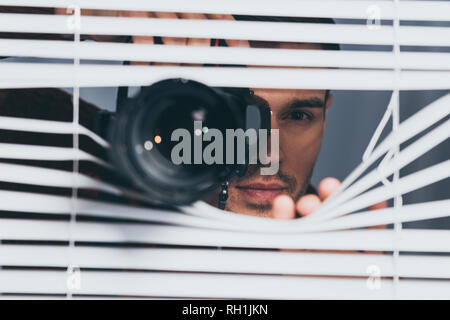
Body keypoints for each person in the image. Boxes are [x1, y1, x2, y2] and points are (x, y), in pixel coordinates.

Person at [0, 8, 386, 217]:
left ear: (325, 114)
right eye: (237, 113)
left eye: (298, 116)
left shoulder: (344, 253)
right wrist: (62, 14)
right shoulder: (61, 160)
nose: (267, 155)